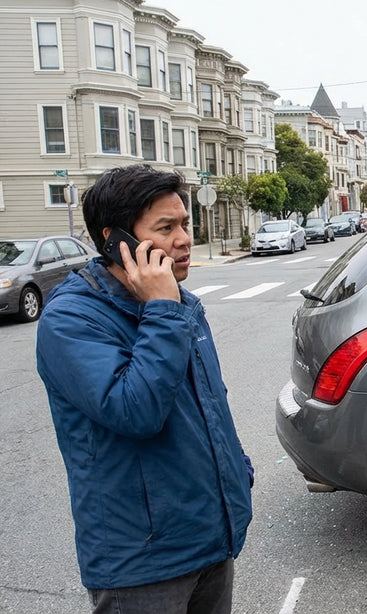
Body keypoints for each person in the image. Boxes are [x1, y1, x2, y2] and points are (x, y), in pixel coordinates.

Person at [36, 164, 253, 614]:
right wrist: (161, 309)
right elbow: (135, 411)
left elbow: (211, 406)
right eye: (166, 228)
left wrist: (237, 474)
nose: (184, 239)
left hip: (211, 536)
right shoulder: (73, 319)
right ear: (117, 240)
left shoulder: (180, 305)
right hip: (143, 561)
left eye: (185, 224)